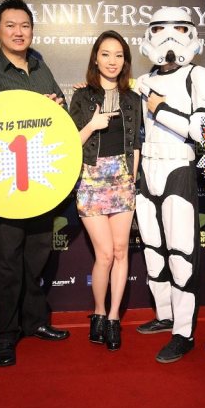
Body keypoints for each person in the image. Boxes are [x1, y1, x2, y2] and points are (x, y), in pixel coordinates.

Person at [0, 0, 70, 368]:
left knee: (37, 257)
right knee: (8, 264)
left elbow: (58, 116)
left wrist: (56, 105)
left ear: (32, 30)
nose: (18, 32)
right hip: (3, 185)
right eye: (10, 25)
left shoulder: (41, 67)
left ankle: (35, 321)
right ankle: (4, 335)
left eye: (24, 25)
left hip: (40, 181)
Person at [134, 7, 205, 363]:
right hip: (147, 169)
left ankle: (183, 332)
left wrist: (160, 107)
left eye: (179, 29)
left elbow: (202, 130)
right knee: (153, 249)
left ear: (192, 34)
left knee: (181, 253)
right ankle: (165, 315)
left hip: (178, 167)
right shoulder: (143, 78)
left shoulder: (200, 75)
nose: (169, 37)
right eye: (160, 29)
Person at [69, 31, 141, 351]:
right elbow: (70, 143)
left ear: (125, 61)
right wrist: (92, 125)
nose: (112, 61)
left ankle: (113, 318)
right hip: (91, 178)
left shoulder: (132, 99)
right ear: (95, 58)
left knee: (122, 251)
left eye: (119, 55)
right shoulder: (82, 96)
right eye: (106, 54)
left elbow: (135, 144)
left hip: (122, 179)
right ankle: (98, 312)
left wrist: (131, 180)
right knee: (106, 254)